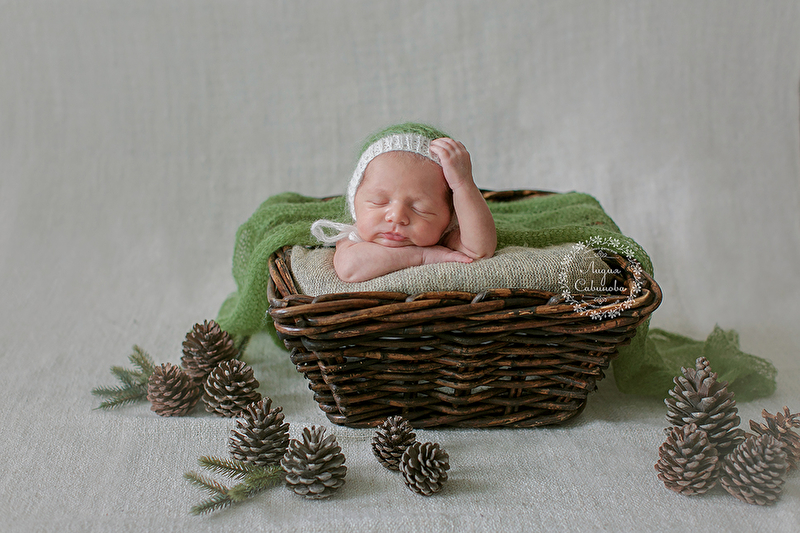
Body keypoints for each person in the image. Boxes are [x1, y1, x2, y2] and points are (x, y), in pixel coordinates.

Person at [311, 123, 496, 282]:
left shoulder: (443, 236)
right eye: (379, 202)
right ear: (355, 203)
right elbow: (349, 269)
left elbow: (480, 250)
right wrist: (423, 256)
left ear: (449, 217)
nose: (397, 216)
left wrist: (463, 184)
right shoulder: (355, 237)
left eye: (420, 208)